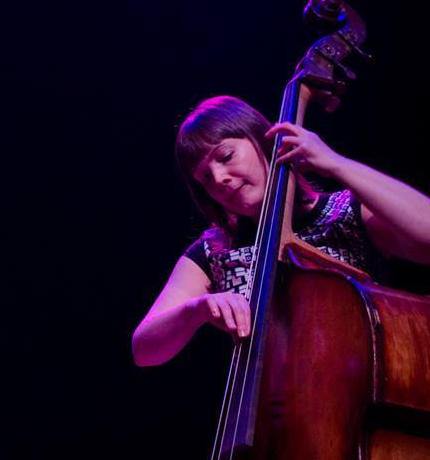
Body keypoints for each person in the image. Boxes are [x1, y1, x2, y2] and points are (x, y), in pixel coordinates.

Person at [132, 95, 430, 367]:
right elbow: (145, 349)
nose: (219, 178)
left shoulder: (345, 213)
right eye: (205, 178)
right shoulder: (215, 250)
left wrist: (335, 163)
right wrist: (198, 308)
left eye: (225, 157)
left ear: (263, 139)